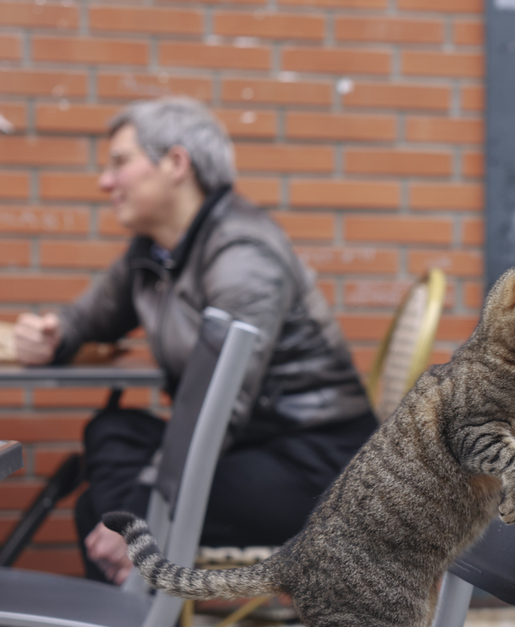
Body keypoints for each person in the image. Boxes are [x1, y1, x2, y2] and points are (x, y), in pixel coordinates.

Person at [14, 97, 378, 589]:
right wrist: (51, 335)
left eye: (120, 162)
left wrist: (141, 511)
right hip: (243, 447)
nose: (105, 182)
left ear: (176, 164)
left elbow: (216, 404)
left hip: (313, 468)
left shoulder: (242, 255)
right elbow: (88, 318)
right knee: (111, 432)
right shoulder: (153, 254)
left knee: (102, 512)